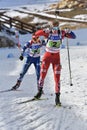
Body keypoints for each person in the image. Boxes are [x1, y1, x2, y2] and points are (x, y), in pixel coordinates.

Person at [34, 20, 76, 106]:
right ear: (51, 27)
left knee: (57, 77)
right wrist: (44, 30)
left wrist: (69, 31)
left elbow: (74, 37)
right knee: (42, 74)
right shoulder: (48, 33)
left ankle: (57, 97)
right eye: (53, 27)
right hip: (47, 57)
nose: (55, 29)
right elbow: (36, 34)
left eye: (56, 27)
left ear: (58, 26)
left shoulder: (62, 33)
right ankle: (40, 91)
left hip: (56, 58)